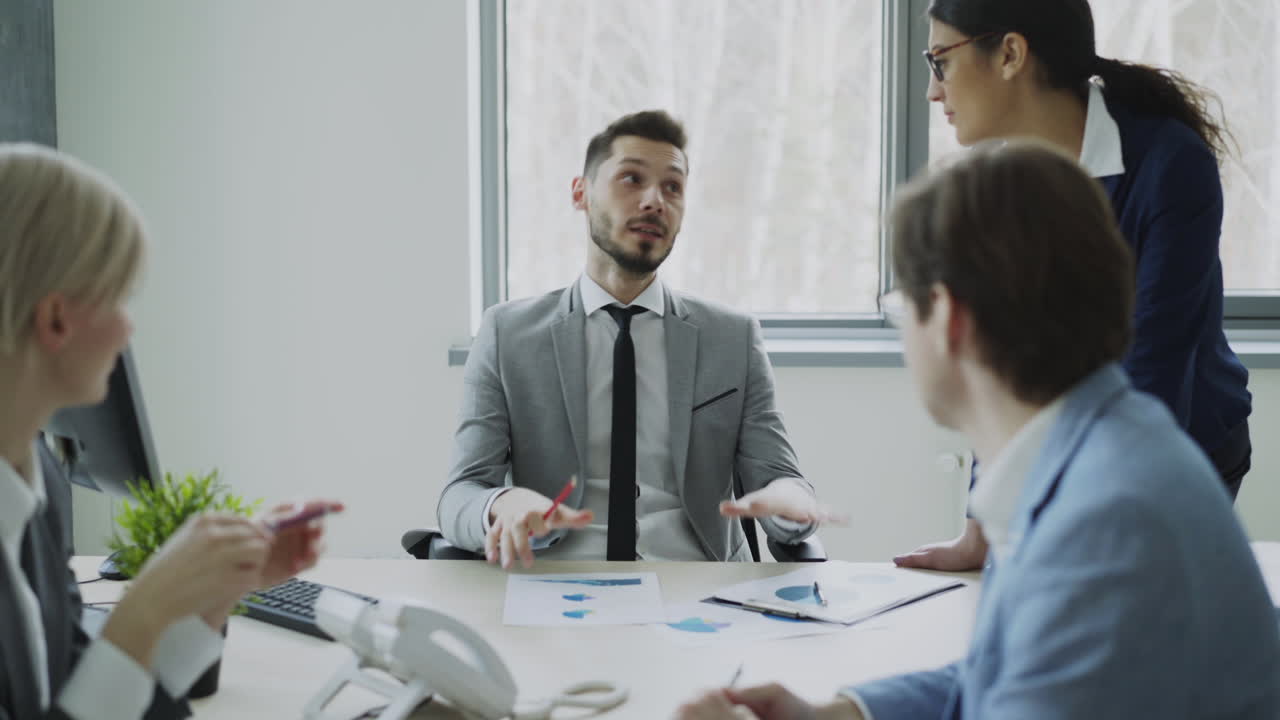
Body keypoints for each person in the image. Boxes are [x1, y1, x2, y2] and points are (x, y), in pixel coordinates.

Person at [675, 142, 1280, 720]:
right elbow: (1006, 677)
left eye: (901, 306)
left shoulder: (1105, 523)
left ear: (947, 317)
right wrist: (836, 715)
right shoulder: (1099, 450)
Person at [895, 0, 1253, 573]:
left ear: (1010, 53)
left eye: (941, 62)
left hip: (1185, 444)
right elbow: (1005, 373)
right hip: (1080, 455)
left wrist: (1066, 517)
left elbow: (1154, 368)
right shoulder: (1003, 189)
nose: (934, 93)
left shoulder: (1170, 164)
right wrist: (979, 530)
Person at [0, 143, 343, 720]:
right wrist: (144, 610)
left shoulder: (39, 490)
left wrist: (206, 602)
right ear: (56, 317)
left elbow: (86, 695)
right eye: (119, 298)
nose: (129, 327)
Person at [437, 110, 826, 570]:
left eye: (672, 187)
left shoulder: (733, 338)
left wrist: (791, 504)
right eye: (631, 179)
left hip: (698, 590)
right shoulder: (508, 336)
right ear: (580, 193)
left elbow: (781, 478)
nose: (654, 201)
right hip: (558, 586)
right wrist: (500, 505)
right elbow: (460, 495)